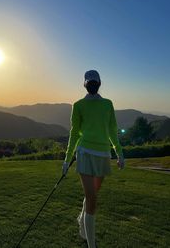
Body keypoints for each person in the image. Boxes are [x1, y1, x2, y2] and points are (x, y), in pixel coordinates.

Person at [62, 70, 125, 248]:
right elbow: (74, 133)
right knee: (92, 199)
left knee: (92, 196)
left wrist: (119, 153)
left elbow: (112, 130)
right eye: (90, 82)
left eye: (93, 82)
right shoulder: (78, 105)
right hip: (85, 154)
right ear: (85, 84)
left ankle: (82, 220)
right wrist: (67, 159)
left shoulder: (108, 104)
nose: (92, 85)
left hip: (103, 154)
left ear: (98, 84)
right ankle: (91, 244)